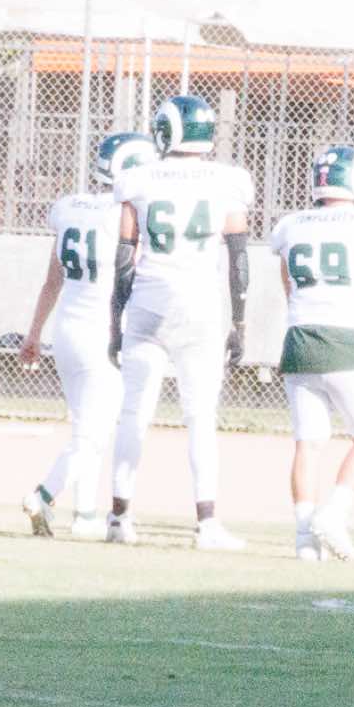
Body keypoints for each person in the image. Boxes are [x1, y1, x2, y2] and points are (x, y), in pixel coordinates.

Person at [106, 93, 256, 551]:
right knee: (201, 418)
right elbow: (239, 259)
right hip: (200, 308)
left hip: (148, 303)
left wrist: (115, 322)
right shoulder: (228, 180)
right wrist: (240, 322)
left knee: (134, 413)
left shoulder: (138, 178)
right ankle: (207, 524)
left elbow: (124, 258)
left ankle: (119, 517)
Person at [267, 145, 354, 562]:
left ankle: (304, 539)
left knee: (308, 443)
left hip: (299, 339)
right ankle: (335, 512)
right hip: (347, 339)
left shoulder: (290, 226)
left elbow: (290, 290)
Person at [17, 131, 156, 539]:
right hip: (103, 330)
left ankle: (84, 515)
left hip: (67, 328)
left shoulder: (68, 208)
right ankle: (44, 493)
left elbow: (52, 281)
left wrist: (33, 333)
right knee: (95, 431)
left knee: (86, 428)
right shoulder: (126, 215)